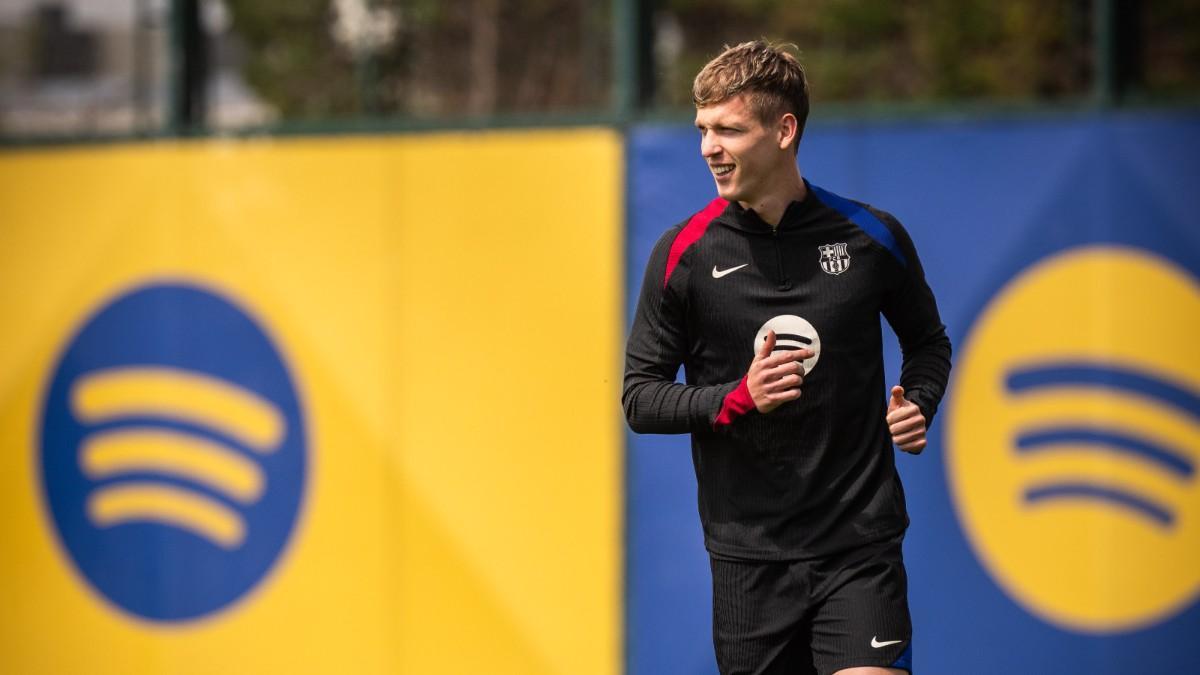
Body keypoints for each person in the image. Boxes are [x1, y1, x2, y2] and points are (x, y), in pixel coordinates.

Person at [622, 40, 952, 675]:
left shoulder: (871, 237)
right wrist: (736, 397)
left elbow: (928, 342)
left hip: (860, 547)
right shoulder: (682, 255)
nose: (709, 148)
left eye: (729, 129)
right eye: (702, 129)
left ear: (784, 130)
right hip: (749, 563)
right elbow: (640, 397)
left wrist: (921, 402)